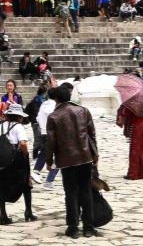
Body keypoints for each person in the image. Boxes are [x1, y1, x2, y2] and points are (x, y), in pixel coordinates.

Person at [45, 84, 98, 239]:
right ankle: (89, 227)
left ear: (57, 99)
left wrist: (49, 160)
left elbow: (50, 142)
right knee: (85, 191)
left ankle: (73, 227)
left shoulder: (54, 117)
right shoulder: (83, 111)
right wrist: (95, 154)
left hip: (66, 159)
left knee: (70, 193)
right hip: (85, 156)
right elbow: (92, 134)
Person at [0, 103, 35, 225]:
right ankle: (28, 211)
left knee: (1, 183)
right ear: (19, 117)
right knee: (26, 183)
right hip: (17, 160)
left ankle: (3, 214)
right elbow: (23, 144)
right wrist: (25, 154)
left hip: (2, 160)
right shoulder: (18, 127)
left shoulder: (0, 127)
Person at [116, 96, 143, 180]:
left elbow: (125, 113)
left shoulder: (132, 102)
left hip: (136, 127)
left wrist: (123, 107)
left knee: (135, 151)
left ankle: (134, 173)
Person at [31, 86, 59, 188]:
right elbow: (52, 116)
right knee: (58, 157)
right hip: (52, 134)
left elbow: (38, 118)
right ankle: (49, 180)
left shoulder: (43, 104)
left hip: (43, 132)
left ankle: (36, 171)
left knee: (43, 153)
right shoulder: (52, 106)